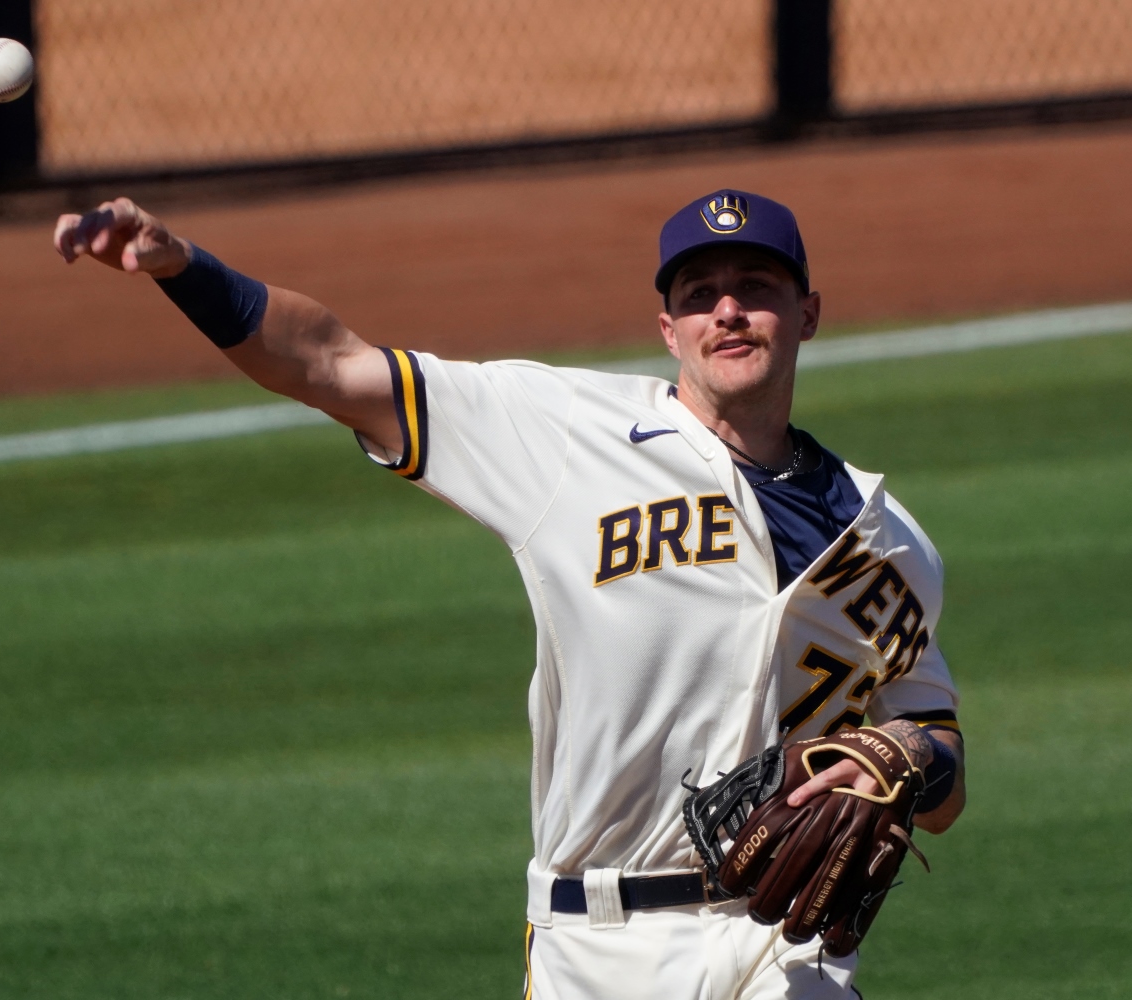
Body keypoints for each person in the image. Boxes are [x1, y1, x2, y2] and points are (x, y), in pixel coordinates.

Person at [52, 188, 966, 999]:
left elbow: (940, 750)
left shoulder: (891, 540)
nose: (728, 311)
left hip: (783, 945)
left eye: (756, 288)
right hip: (598, 948)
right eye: (699, 295)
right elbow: (330, 365)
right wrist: (180, 266)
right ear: (669, 330)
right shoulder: (567, 432)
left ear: (806, 313)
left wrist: (910, 761)